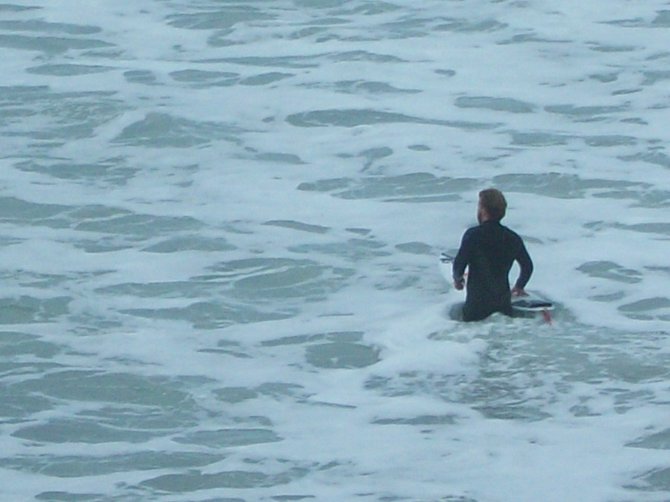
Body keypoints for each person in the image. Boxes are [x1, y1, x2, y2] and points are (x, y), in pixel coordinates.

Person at [452, 188, 533, 322]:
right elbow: (527, 267)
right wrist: (519, 287)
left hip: (476, 310)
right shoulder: (512, 238)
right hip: (503, 308)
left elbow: (459, 266)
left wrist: (458, 281)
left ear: (483, 210)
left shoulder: (472, 235)